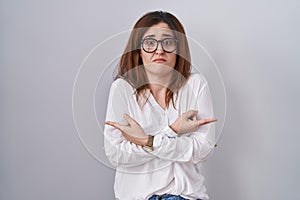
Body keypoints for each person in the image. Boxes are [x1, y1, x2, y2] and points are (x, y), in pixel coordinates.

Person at [104, 11, 217, 200]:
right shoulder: (122, 89)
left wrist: (145, 140)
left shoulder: (195, 85)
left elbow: (203, 150)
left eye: (167, 42)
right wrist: (173, 131)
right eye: (149, 42)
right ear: (138, 49)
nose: (159, 50)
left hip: (184, 195)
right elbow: (116, 154)